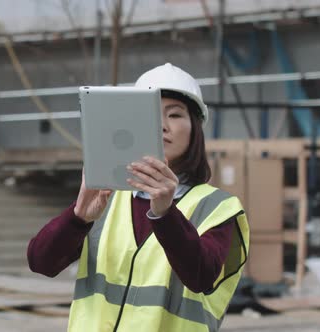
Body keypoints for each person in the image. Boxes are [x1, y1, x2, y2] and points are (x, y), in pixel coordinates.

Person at [27, 63, 249, 332]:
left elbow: (201, 275)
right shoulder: (106, 198)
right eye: (152, 114)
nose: (162, 126)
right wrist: (78, 218)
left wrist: (166, 214)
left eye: (175, 115)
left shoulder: (218, 208)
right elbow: (41, 263)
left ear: (195, 129)